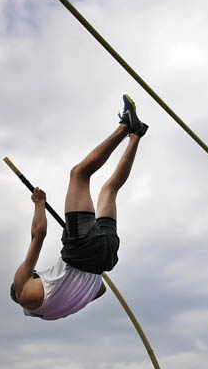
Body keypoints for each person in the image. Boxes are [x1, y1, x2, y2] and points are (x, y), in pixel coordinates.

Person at [10, 94, 148, 320]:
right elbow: (39, 235)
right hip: (81, 250)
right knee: (79, 174)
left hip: (106, 256)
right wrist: (39, 204)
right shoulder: (24, 291)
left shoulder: (51, 311)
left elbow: (100, 289)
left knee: (109, 190)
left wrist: (79, 278)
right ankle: (126, 126)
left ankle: (136, 135)